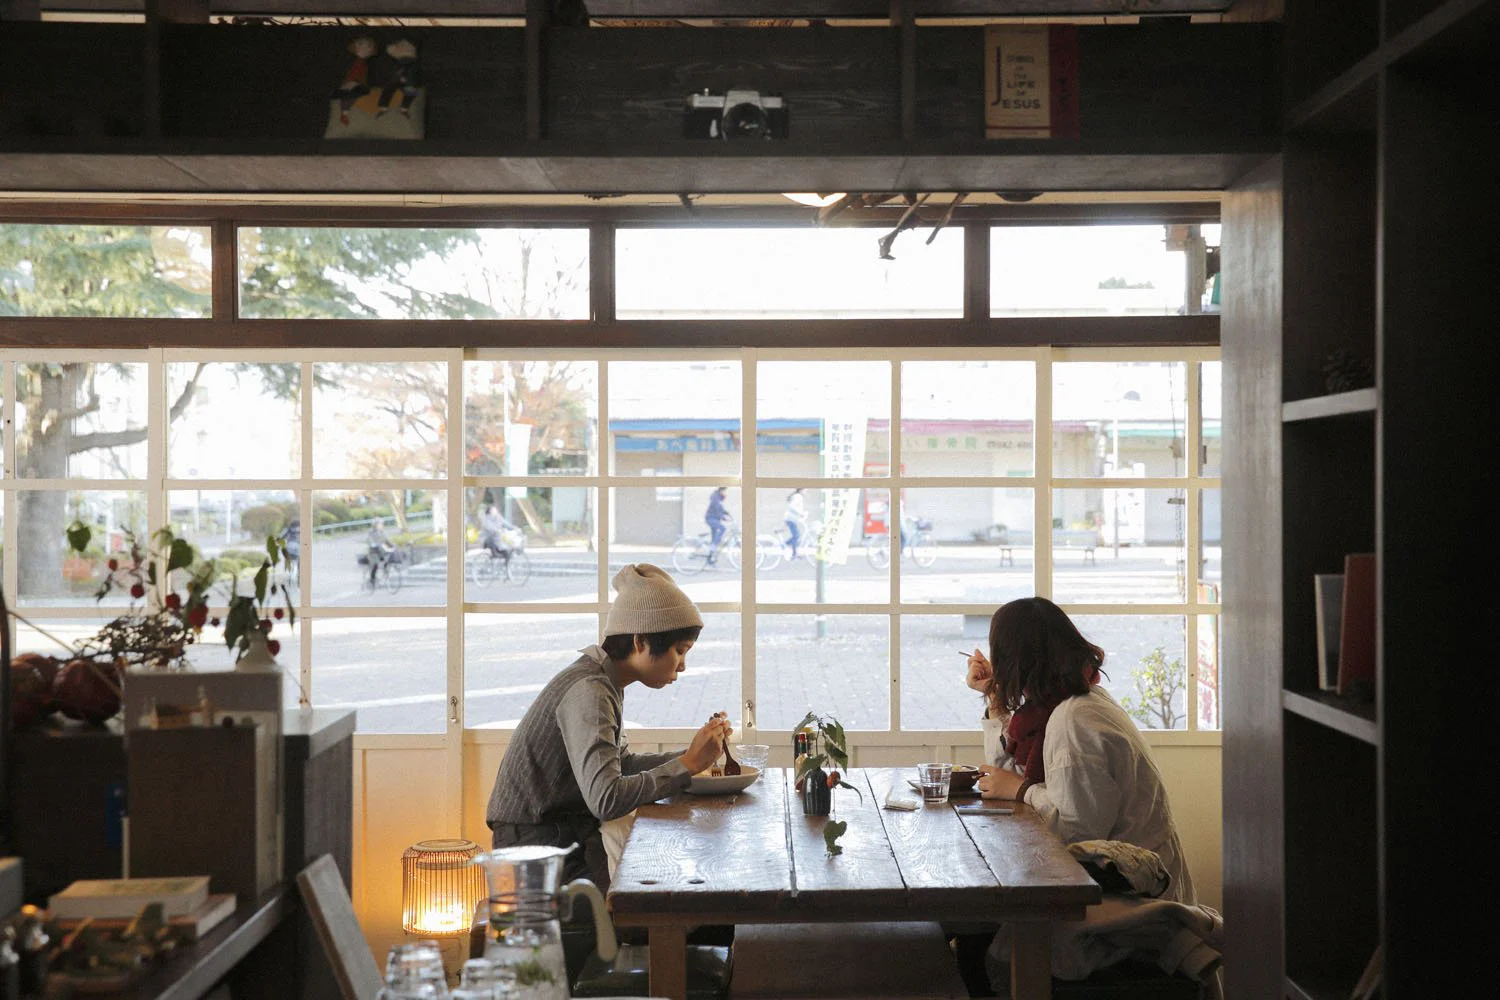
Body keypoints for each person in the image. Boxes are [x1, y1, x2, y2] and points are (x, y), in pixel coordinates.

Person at [960, 597, 1202, 993]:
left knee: (979, 948)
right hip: (1118, 885)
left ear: (1016, 659)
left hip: (1129, 903)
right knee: (979, 936)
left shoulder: (1075, 720)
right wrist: (994, 699)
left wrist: (1020, 790)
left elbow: (1077, 830)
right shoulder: (1070, 702)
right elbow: (1018, 766)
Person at [484, 563, 731, 893]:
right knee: (658, 905)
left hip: (560, 833)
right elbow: (606, 797)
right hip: (535, 847)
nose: (683, 666)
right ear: (641, 641)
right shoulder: (591, 690)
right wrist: (687, 766)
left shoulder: (604, 681)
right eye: (679, 650)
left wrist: (694, 755)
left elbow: (621, 765)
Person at [703, 486, 731, 565]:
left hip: (715, 519)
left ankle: (710, 559)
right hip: (711, 518)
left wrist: (727, 513)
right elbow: (716, 508)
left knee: (714, 537)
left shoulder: (718, 498)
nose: (726, 493)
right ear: (721, 490)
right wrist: (723, 517)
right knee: (722, 528)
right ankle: (714, 546)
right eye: (725, 491)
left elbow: (720, 509)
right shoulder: (715, 497)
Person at [365, 517, 393, 586]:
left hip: (380, 551)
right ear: (375, 525)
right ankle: (372, 579)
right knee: (375, 564)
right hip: (373, 552)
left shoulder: (382, 532)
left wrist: (392, 545)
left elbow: (387, 540)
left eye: (382, 524)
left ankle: (386, 573)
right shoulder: (371, 532)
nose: (381, 525)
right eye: (380, 524)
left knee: (387, 560)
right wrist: (372, 544)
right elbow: (369, 539)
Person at [783, 488, 807, 560]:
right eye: (805, 489)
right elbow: (792, 507)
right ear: (801, 490)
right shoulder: (798, 496)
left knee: (796, 536)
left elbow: (798, 508)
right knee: (796, 536)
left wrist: (801, 515)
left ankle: (786, 545)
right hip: (790, 518)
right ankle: (794, 553)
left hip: (791, 518)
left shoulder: (797, 496)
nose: (806, 491)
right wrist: (800, 514)